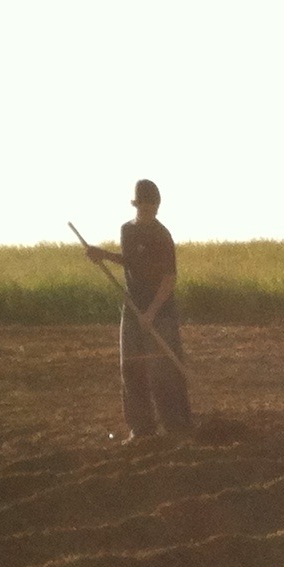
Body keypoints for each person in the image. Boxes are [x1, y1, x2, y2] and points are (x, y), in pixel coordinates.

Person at [82, 178, 193, 438]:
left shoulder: (162, 235)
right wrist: (103, 255)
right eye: (145, 206)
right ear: (137, 204)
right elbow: (130, 261)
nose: (150, 210)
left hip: (160, 311)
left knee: (163, 370)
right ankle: (140, 429)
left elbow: (169, 278)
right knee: (131, 368)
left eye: (154, 206)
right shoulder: (127, 230)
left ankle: (176, 426)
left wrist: (151, 312)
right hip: (132, 306)